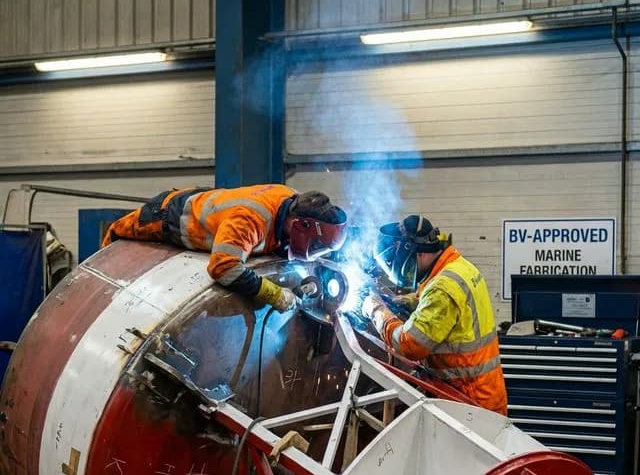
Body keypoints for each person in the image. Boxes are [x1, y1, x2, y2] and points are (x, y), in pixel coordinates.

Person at [101, 184, 347, 312]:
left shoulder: (291, 201)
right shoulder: (252, 219)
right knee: (112, 245)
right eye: (316, 246)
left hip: (201, 200)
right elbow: (223, 267)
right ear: (301, 225)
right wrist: (274, 294)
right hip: (163, 217)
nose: (314, 252)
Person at [362, 215, 507, 415]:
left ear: (414, 253)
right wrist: (411, 301)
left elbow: (408, 345)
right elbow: (447, 307)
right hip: (485, 394)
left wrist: (376, 310)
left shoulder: (442, 289)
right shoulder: (457, 266)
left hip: (468, 404)